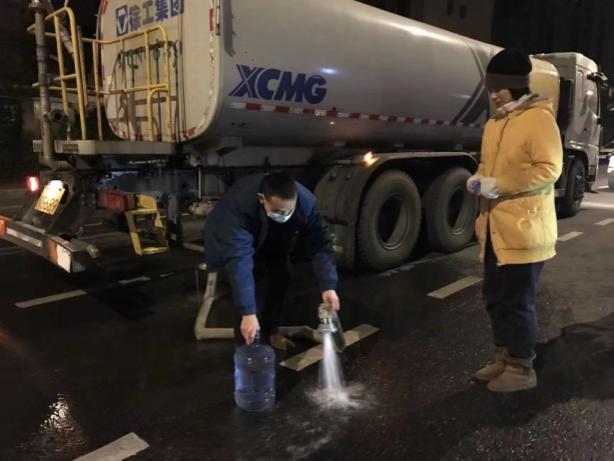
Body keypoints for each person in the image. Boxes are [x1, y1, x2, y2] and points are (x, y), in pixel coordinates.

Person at [467, 48, 563, 392]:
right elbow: (485, 166)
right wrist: (477, 179)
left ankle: (522, 368)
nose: (493, 96)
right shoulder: (494, 124)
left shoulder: (539, 119)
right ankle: (503, 357)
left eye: (500, 89)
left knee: (517, 302)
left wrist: (499, 185)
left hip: (525, 230)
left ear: (518, 86)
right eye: (491, 89)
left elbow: (550, 169)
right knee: (494, 297)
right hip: (495, 230)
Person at [198, 171, 339, 350]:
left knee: (282, 276)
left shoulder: (305, 202)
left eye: (289, 211)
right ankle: (246, 346)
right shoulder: (239, 205)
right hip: (239, 237)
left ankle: (271, 330)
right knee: (249, 285)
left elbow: (321, 244)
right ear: (261, 199)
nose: (284, 215)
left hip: (273, 235)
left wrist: (328, 286)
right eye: (278, 211)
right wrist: (248, 313)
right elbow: (239, 260)